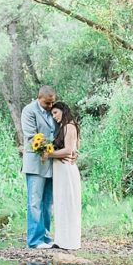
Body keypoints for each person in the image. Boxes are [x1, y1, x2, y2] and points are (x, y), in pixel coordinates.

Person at [20, 86, 75, 249]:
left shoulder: (54, 112)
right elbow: (31, 137)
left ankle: (45, 237)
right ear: (39, 98)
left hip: (53, 164)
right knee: (34, 202)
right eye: (47, 103)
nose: (51, 106)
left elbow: (63, 133)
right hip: (36, 163)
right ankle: (34, 240)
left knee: (47, 202)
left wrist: (70, 150)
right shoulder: (28, 111)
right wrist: (49, 151)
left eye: (52, 103)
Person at [43, 101, 82, 250]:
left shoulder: (70, 126)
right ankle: (62, 240)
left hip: (66, 170)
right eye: (52, 114)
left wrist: (49, 154)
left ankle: (69, 242)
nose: (54, 117)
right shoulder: (65, 127)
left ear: (63, 111)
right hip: (61, 171)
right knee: (61, 204)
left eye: (55, 113)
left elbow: (69, 150)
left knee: (68, 204)